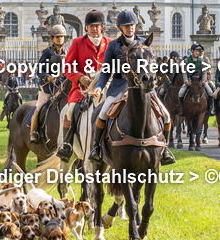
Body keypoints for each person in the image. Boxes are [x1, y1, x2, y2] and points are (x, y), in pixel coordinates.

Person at [89, 11, 176, 165]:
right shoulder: (113, 46)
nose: (130, 28)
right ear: (120, 27)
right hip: (119, 87)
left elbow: (150, 66)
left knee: (166, 115)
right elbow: (106, 70)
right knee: (103, 112)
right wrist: (100, 87)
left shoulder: (144, 43)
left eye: (132, 25)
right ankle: (97, 148)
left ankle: (164, 150)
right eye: (126, 25)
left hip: (143, 88)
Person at [54, 10, 109, 160]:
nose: (94, 29)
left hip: (106, 87)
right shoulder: (77, 42)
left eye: (97, 26)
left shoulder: (110, 43)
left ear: (102, 26)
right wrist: (79, 77)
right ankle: (67, 145)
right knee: (70, 111)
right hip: (82, 89)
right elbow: (67, 67)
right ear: (86, 28)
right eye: (91, 26)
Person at [30, 24, 68, 143]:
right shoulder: (47, 52)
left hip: (64, 85)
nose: (59, 39)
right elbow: (39, 71)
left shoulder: (68, 51)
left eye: (61, 37)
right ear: (52, 38)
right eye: (57, 37)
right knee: (39, 107)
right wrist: (48, 77)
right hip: (49, 87)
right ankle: (33, 132)